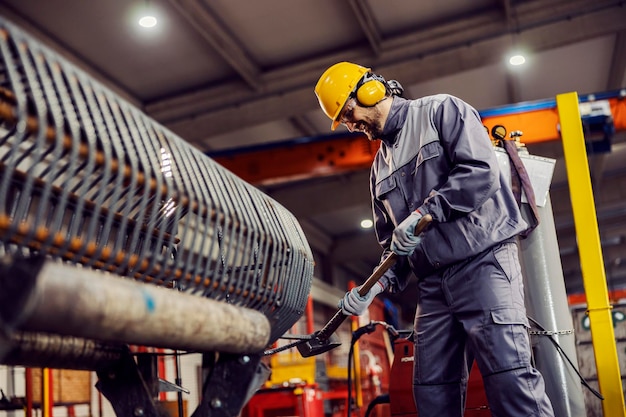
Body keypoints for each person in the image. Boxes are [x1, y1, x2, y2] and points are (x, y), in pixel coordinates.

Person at [314, 62, 554, 417]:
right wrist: (373, 290)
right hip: (433, 286)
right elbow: (391, 245)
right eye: (346, 122)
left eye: (349, 113)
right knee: (430, 391)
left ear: (371, 91)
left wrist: (426, 211)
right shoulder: (379, 167)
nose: (353, 125)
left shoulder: (442, 111)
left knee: (509, 377)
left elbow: (479, 171)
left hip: (483, 264)